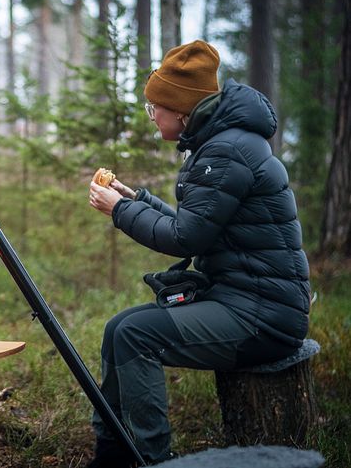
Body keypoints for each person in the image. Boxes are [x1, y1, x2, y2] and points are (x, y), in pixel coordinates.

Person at [87, 40, 310, 467]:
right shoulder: (221, 143)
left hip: (264, 316)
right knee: (120, 328)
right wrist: (136, 199)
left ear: (181, 110)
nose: (152, 118)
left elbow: (185, 240)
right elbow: (200, 227)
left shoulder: (225, 151)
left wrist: (121, 211)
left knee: (136, 335)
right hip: (242, 297)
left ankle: (151, 459)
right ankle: (113, 453)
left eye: (156, 108)